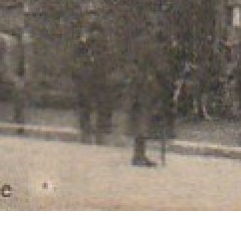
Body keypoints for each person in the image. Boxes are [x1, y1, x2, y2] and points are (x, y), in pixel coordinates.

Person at [120, 23, 172, 168]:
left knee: (138, 119)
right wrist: (167, 83)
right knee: (144, 119)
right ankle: (139, 156)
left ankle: (138, 155)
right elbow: (161, 69)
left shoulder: (135, 44)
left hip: (134, 87)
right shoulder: (153, 46)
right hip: (147, 88)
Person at [71, 24, 114, 143]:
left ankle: (101, 128)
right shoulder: (82, 45)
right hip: (86, 78)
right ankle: (86, 128)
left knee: (102, 103)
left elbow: (107, 58)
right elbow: (75, 58)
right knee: (85, 104)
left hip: (98, 77)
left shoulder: (102, 44)